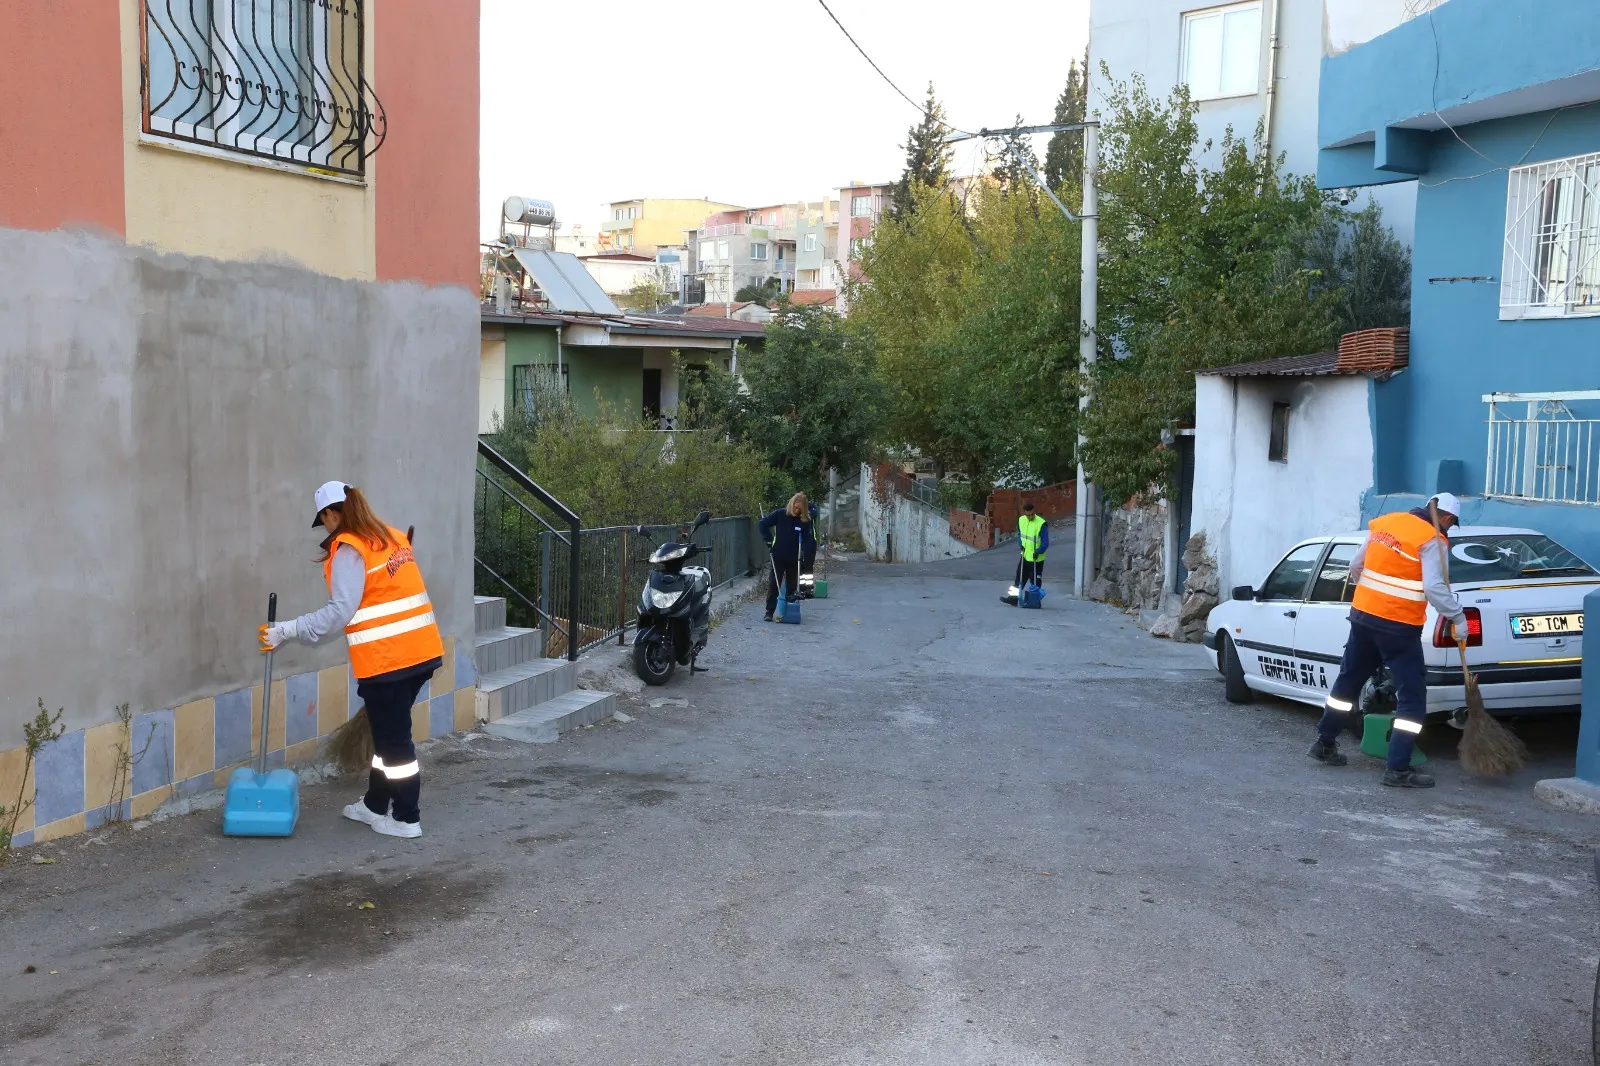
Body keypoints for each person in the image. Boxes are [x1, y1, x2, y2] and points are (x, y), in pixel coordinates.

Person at [259, 482, 444, 837]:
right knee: (385, 732)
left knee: (394, 742)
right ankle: (375, 804)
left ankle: (406, 818)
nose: (326, 527)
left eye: (324, 520)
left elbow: (340, 611)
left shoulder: (349, 549)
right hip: (420, 652)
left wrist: (288, 629)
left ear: (332, 514)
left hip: (388, 661)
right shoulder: (388, 536)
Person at [1307, 492, 1469, 788]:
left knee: (1348, 681)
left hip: (1363, 618)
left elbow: (1356, 567)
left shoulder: (1387, 523)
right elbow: (1433, 588)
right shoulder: (1433, 539)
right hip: (1398, 627)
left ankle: (1324, 742)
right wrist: (1458, 617)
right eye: (1451, 524)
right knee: (1412, 697)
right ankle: (1397, 769)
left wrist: (1372, 599)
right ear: (1447, 518)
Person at [760, 493, 814, 621]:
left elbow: (807, 539)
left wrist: (806, 554)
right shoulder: (780, 514)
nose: (797, 511)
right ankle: (769, 611)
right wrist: (768, 540)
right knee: (774, 584)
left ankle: (788, 611)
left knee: (792, 585)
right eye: (795, 508)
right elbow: (762, 524)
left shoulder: (804, 521)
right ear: (792, 505)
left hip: (794, 558)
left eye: (800, 509)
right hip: (778, 555)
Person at [1013, 502, 1048, 597]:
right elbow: (1020, 535)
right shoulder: (1021, 520)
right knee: (1019, 578)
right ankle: (1013, 598)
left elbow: (1045, 543)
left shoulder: (1041, 524)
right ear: (1024, 513)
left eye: (1032, 514)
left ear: (1034, 511)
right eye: (1028, 515)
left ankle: (1034, 600)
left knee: (1035, 581)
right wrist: (1020, 544)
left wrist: (1038, 551)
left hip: (1037, 559)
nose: (1031, 516)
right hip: (1024, 555)